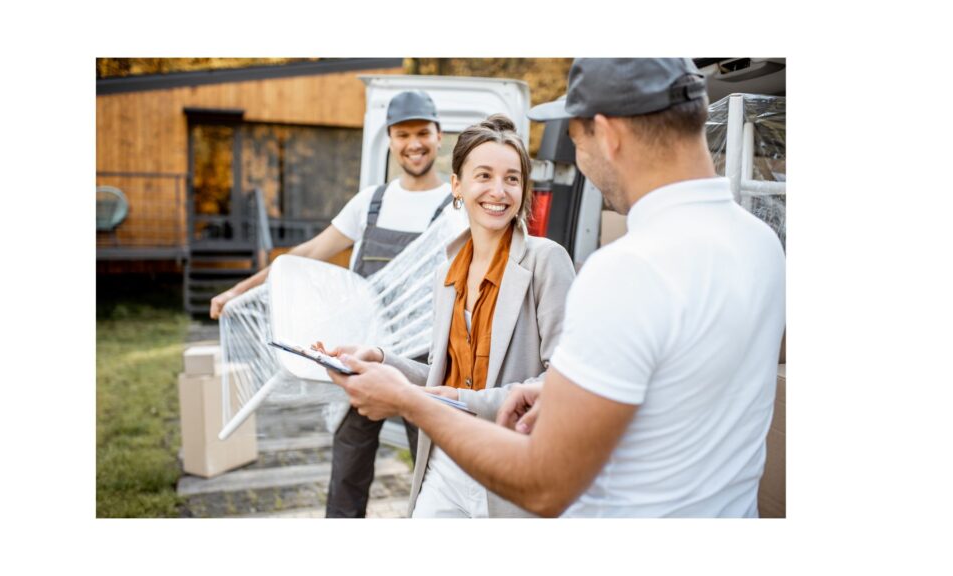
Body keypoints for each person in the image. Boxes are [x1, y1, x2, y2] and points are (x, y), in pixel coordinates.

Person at [328, 58, 786, 517]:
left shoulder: (625, 271)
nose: (579, 159)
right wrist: (561, 391)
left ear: (607, 135)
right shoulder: (763, 245)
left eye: (574, 138)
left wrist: (409, 401)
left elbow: (544, 486)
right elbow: (680, 381)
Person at [210, 90, 456, 518]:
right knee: (347, 471)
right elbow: (305, 256)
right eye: (403, 134)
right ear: (391, 140)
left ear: (438, 136)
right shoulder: (371, 202)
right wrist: (240, 291)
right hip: (360, 357)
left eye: (422, 133)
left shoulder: (456, 207)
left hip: (424, 361)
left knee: (432, 475)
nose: (413, 143)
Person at [321, 114, 575, 517]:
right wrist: (383, 360)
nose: (499, 190)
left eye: (512, 178)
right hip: (447, 462)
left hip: (512, 466)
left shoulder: (547, 261)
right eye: (484, 175)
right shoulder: (447, 273)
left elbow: (564, 383)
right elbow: (442, 380)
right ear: (457, 185)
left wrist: (462, 400)